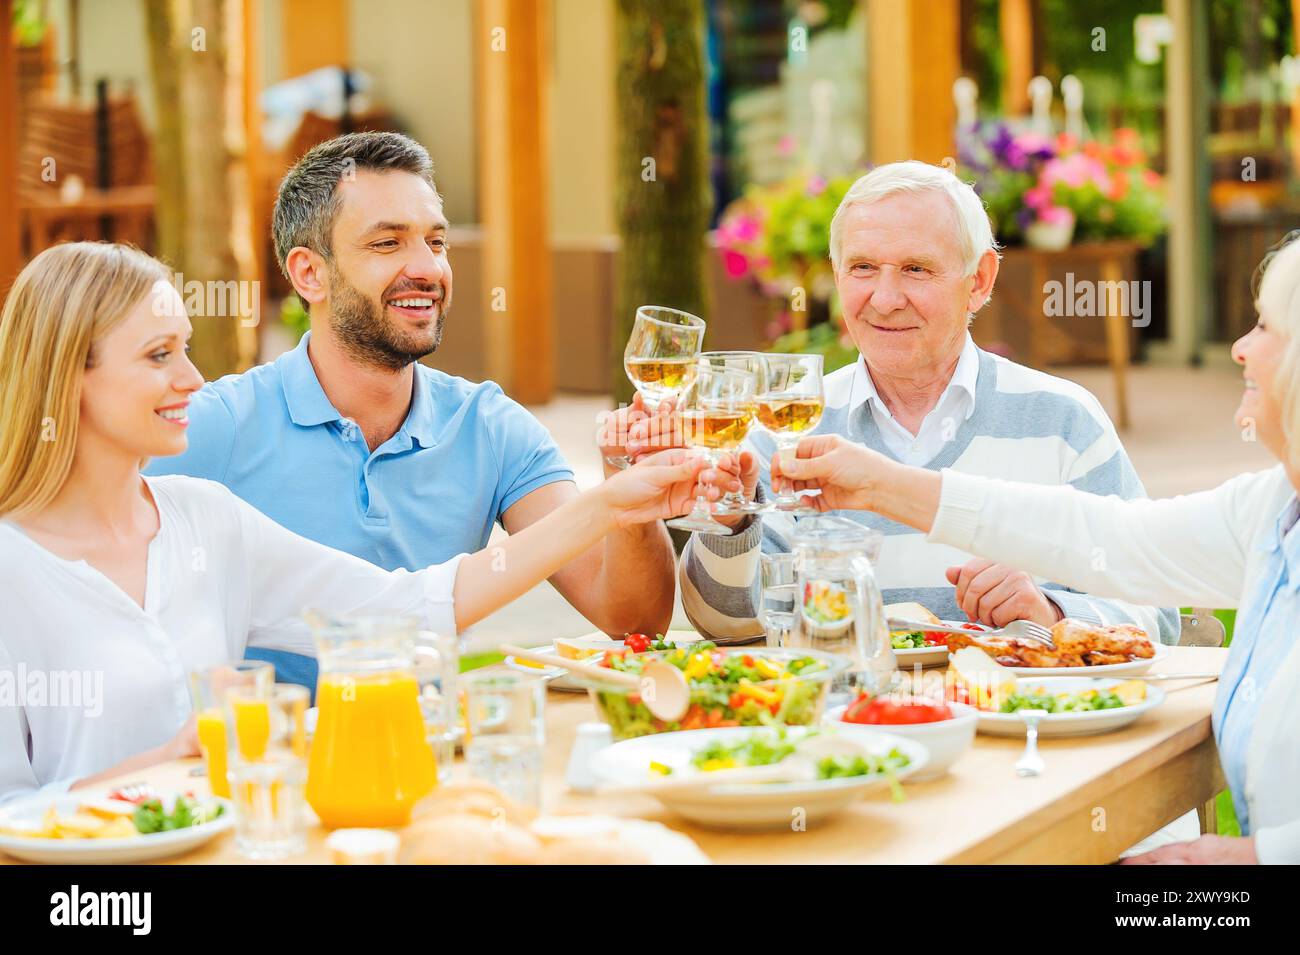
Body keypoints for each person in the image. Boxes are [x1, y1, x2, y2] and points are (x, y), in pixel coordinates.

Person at [0, 242, 706, 803]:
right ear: (69, 378)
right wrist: (165, 763)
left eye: (185, 347)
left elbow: (403, 608)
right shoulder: (14, 569)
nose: (191, 377)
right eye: (159, 355)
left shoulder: (204, 522)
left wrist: (613, 502)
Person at [767, 234, 1300, 865]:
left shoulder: (1068, 415)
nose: (1240, 346)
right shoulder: (1269, 507)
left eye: (1266, 327)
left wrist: (1258, 860)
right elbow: (1102, 536)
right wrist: (883, 483)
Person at [146, 132, 677, 687]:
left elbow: (632, 620)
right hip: (281, 762)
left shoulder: (489, 428)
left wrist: (631, 500)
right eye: (387, 244)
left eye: (436, 242)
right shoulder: (217, 427)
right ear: (309, 273)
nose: (427, 269)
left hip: (432, 758)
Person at [621, 161, 1176, 645]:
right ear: (838, 277)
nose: (885, 299)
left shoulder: (1062, 420)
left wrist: (1052, 613)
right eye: (863, 268)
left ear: (978, 281)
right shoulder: (782, 427)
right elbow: (724, 626)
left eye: (916, 269)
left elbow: (1156, 607)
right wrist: (730, 525)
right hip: (848, 741)